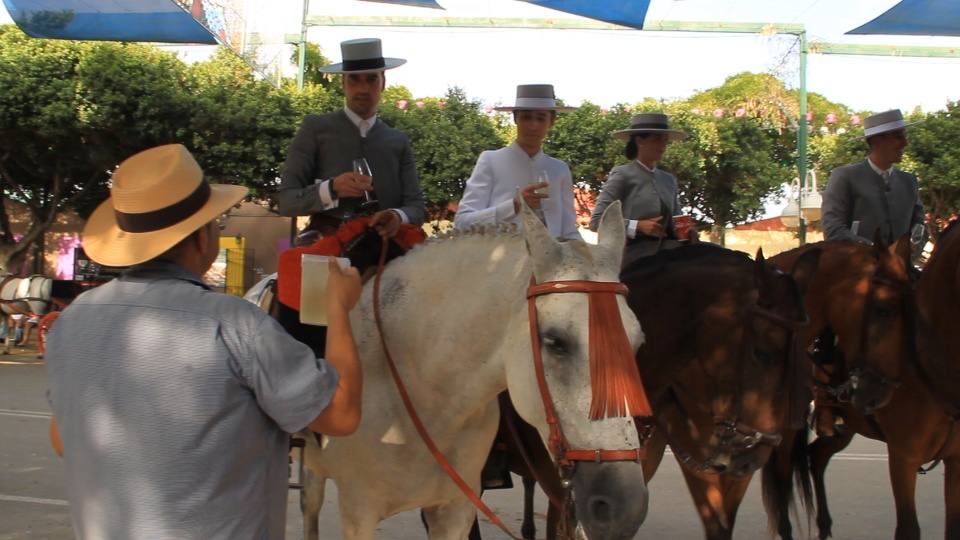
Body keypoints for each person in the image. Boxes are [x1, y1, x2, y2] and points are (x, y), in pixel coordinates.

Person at [44, 144, 363, 540]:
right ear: (201, 239)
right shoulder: (235, 326)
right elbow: (341, 414)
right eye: (217, 222)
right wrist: (338, 311)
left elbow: (63, 438)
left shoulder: (69, 324)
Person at [277, 37, 426, 243]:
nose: (363, 89)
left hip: (382, 253)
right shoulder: (315, 128)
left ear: (384, 82)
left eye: (371, 79)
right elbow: (286, 201)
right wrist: (331, 189)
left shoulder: (397, 141)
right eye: (354, 79)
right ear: (343, 83)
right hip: (326, 250)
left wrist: (397, 216)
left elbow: (417, 207)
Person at [454, 84, 581, 240]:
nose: (533, 126)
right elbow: (462, 222)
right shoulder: (490, 160)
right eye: (526, 117)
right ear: (515, 118)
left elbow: (569, 231)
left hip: (549, 261)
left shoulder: (559, 169)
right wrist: (513, 206)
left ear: (551, 122)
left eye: (541, 118)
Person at [590, 112, 689, 268]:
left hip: (668, 250)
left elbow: (677, 218)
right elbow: (597, 221)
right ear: (639, 140)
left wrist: (686, 230)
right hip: (632, 254)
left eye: (665, 140)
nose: (662, 145)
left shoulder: (668, 179)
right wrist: (638, 226)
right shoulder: (622, 174)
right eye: (656, 139)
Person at [821, 109, 925, 251]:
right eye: (898, 137)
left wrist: (907, 248)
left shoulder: (909, 182)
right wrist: (878, 252)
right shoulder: (845, 176)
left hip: (902, 271)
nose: (905, 143)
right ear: (877, 140)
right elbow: (833, 229)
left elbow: (920, 226)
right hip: (857, 271)